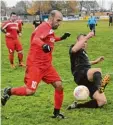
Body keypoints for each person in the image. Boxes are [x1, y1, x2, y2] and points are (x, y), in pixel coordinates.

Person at [1, 10, 71, 119]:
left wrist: (61, 38)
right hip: (36, 65)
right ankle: (9, 91)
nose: (59, 23)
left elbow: (51, 39)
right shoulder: (44, 26)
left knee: (59, 86)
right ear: (51, 18)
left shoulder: (49, 29)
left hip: (47, 65)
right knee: (30, 91)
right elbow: (36, 39)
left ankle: (56, 113)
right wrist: (43, 45)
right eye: (58, 20)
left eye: (60, 21)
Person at [67, 32, 110, 110]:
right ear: (77, 41)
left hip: (86, 77)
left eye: (86, 42)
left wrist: (95, 61)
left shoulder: (83, 52)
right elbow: (74, 50)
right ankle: (100, 86)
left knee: (102, 101)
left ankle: (77, 105)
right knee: (97, 70)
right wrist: (87, 37)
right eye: (82, 41)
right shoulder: (73, 48)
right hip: (79, 74)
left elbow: (85, 63)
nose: (84, 43)